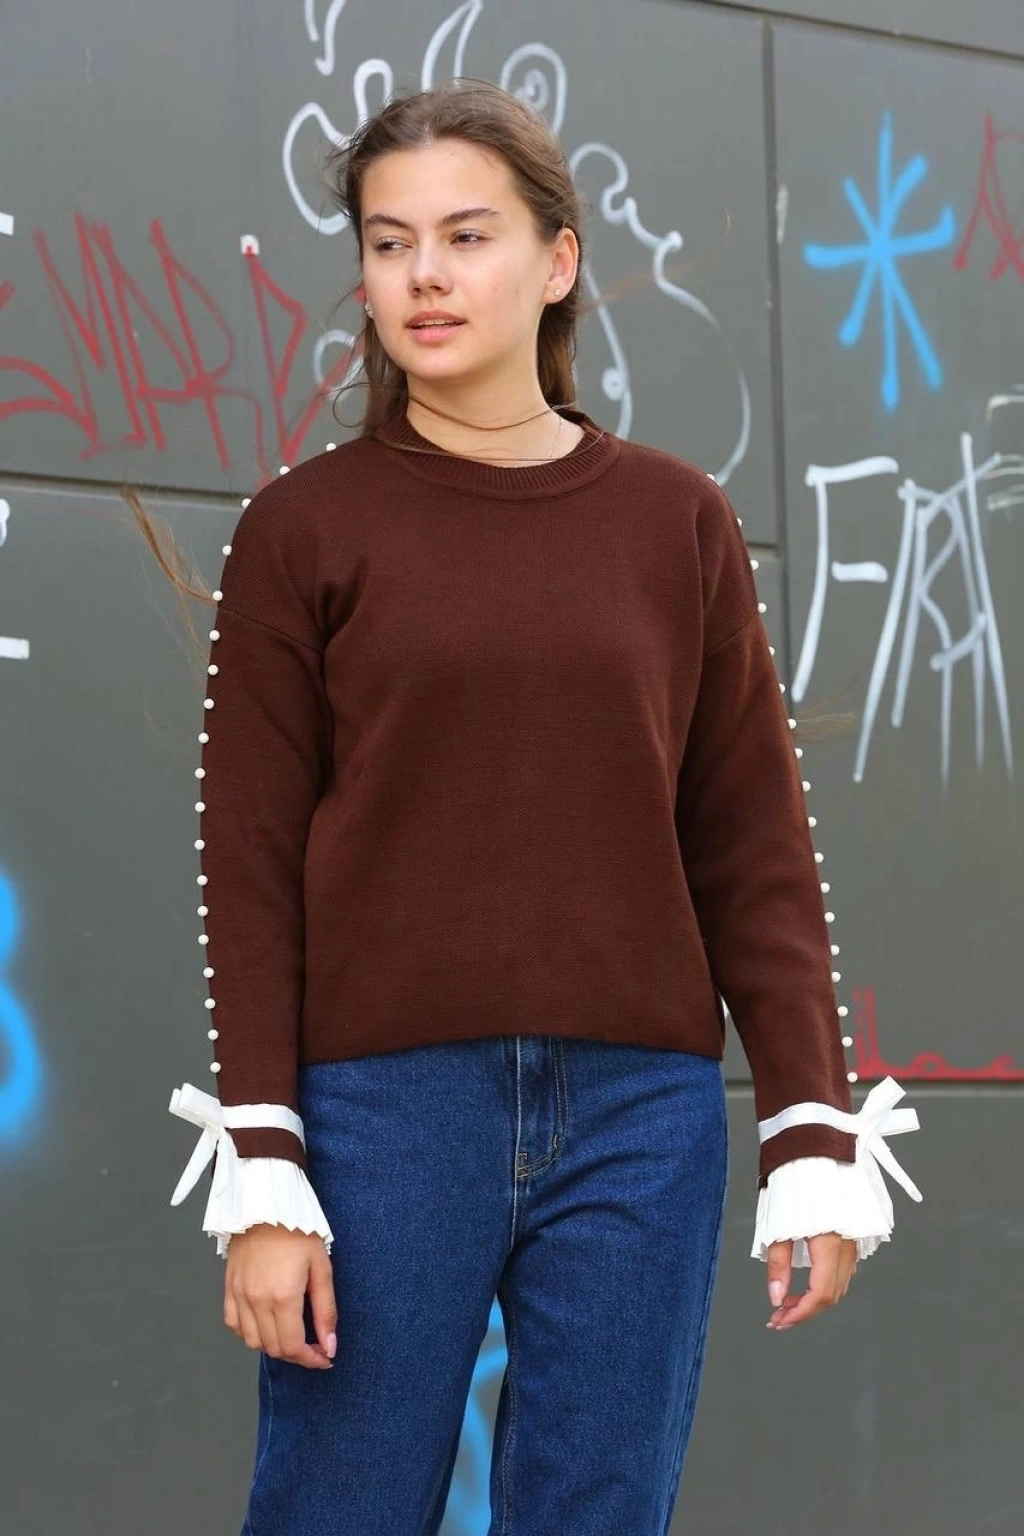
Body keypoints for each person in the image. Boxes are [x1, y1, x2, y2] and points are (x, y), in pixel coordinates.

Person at [160, 77, 922, 1536]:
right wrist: (263, 1161)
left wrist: (812, 1132)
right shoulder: (303, 529)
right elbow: (247, 864)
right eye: (389, 244)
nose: (424, 276)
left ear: (558, 260)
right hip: (383, 1116)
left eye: (467, 236)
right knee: (336, 1510)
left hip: (643, 1118)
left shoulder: (677, 521)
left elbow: (753, 844)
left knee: (598, 1514)